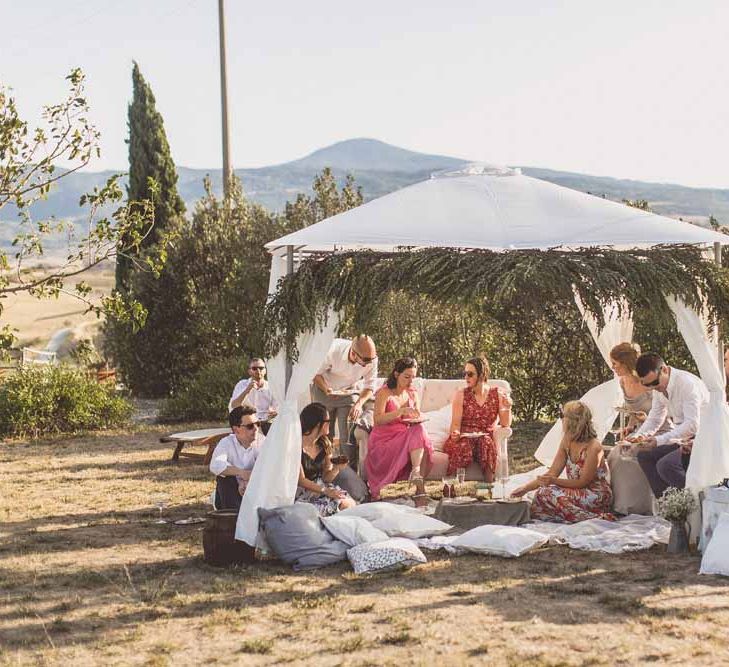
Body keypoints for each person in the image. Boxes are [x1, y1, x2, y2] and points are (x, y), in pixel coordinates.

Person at [512, 401, 613, 522]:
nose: (561, 420)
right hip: (577, 491)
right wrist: (525, 488)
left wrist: (553, 481)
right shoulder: (567, 441)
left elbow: (583, 482)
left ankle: (595, 518)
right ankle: (571, 516)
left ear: (572, 422)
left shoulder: (593, 447)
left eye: (562, 416)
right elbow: (552, 473)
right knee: (541, 496)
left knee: (548, 494)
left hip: (596, 494)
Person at [628, 352, 709, 498]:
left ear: (664, 370)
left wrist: (659, 440)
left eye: (654, 383)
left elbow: (692, 425)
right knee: (644, 456)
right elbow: (655, 417)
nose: (653, 388)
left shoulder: (686, 384)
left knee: (666, 465)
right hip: (682, 438)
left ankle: (695, 501)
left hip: (704, 438)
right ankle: (669, 507)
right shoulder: (659, 388)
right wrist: (638, 437)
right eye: (647, 385)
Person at [606, 343, 671, 514]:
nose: (612, 367)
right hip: (641, 429)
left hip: (660, 429)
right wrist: (629, 427)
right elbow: (633, 412)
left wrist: (645, 423)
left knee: (627, 455)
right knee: (615, 453)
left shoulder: (648, 381)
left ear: (626, 363)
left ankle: (641, 506)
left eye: (615, 363)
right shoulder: (622, 382)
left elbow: (662, 412)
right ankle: (621, 504)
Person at [364, 357, 433, 500]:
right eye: (407, 377)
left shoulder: (413, 393)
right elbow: (377, 420)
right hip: (384, 440)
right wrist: (400, 412)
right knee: (419, 434)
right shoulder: (385, 392)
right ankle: (418, 483)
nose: (410, 381)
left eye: (413, 377)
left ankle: (416, 474)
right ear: (396, 374)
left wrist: (415, 416)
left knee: (420, 430)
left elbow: (415, 417)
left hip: (404, 436)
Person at [443, 356, 512, 481]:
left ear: (481, 374)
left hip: (484, 437)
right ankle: (452, 489)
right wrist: (455, 433)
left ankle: (488, 488)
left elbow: (505, 424)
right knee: (463, 446)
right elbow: (455, 425)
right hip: (464, 437)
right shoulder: (461, 394)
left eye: (470, 374)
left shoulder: (497, 394)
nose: (466, 378)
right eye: (465, 374)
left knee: (486, 443)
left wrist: (507, 408)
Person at [312, 335, 378, 450]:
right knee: (325, 436)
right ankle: (326, 466)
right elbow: (315, 373)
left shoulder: (371, 360)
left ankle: (348, 467)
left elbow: (370, 386)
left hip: (348, 393)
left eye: (371, 359)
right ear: (353, 353)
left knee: (348, 438)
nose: (369, 363)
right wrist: (326, 389)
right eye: (366, 360)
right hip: (323, 390)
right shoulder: (332, 349)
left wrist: (359, 404)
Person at [296, 402, 356, 516]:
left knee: (349, 504)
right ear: (318, 424)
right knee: (340, 509)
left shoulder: (324, 444)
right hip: (304, 492)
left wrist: (336, 468)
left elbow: (326, 478)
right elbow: (301, 480)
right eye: (328, 421)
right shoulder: (296, 445)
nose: (330, 423)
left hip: (322, 487)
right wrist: (326, 491)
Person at [209, 406, 261, 510]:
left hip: (255, 491)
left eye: (258, 424)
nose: (256, 429)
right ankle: (231, 516)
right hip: (231, 494)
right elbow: (215, 466)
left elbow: (269, 467)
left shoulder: (262, 442)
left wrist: (246, 481)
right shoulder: (226, 442)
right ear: (236, 430)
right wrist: (241, 474)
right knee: (224, 477)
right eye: (250, 426)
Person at [229, 358, 278, 435]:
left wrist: (275, 412)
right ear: (249, 371)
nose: (258, 371)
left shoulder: (271, 387)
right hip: (248, 422)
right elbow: (234, 405)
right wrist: (248, 389)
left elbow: (276, 407)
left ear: (265, 370)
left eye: (261, 368)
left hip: (265, 422)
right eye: (254, 368)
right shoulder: (242, 384)